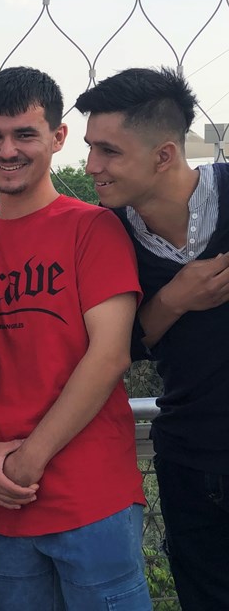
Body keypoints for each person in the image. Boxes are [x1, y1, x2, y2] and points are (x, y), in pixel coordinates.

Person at [0, 66, 150, 610]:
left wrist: (29, 460)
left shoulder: (93, 227)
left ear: (58, 138)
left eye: (25, 134)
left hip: (91, 496)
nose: (7, 150)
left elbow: (110, 355)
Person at [76, 67, 229, 610]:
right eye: (91, 147)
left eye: (109, 151)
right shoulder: (105, 231)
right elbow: (117, 348)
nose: (92, 165)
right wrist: (175, 298)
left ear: (164, 155)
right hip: (190, 460)